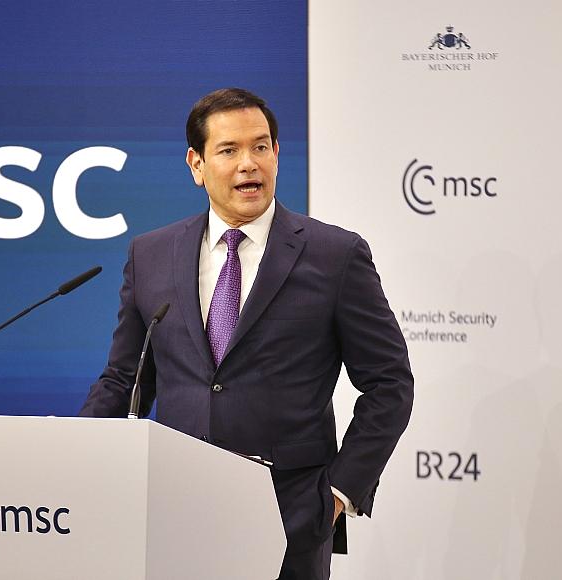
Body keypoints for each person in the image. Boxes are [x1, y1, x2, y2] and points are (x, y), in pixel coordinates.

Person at [79, 88, 413, 580]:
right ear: (196, 164)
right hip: (173, 510)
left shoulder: (335, 255)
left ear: (277, 153)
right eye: (229, 150)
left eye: (260, 147)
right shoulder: (150, 254)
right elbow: (125, 379)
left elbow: (389, 384)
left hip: (291, 516)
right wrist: (75, 456)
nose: (248, 164)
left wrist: (338, 493)